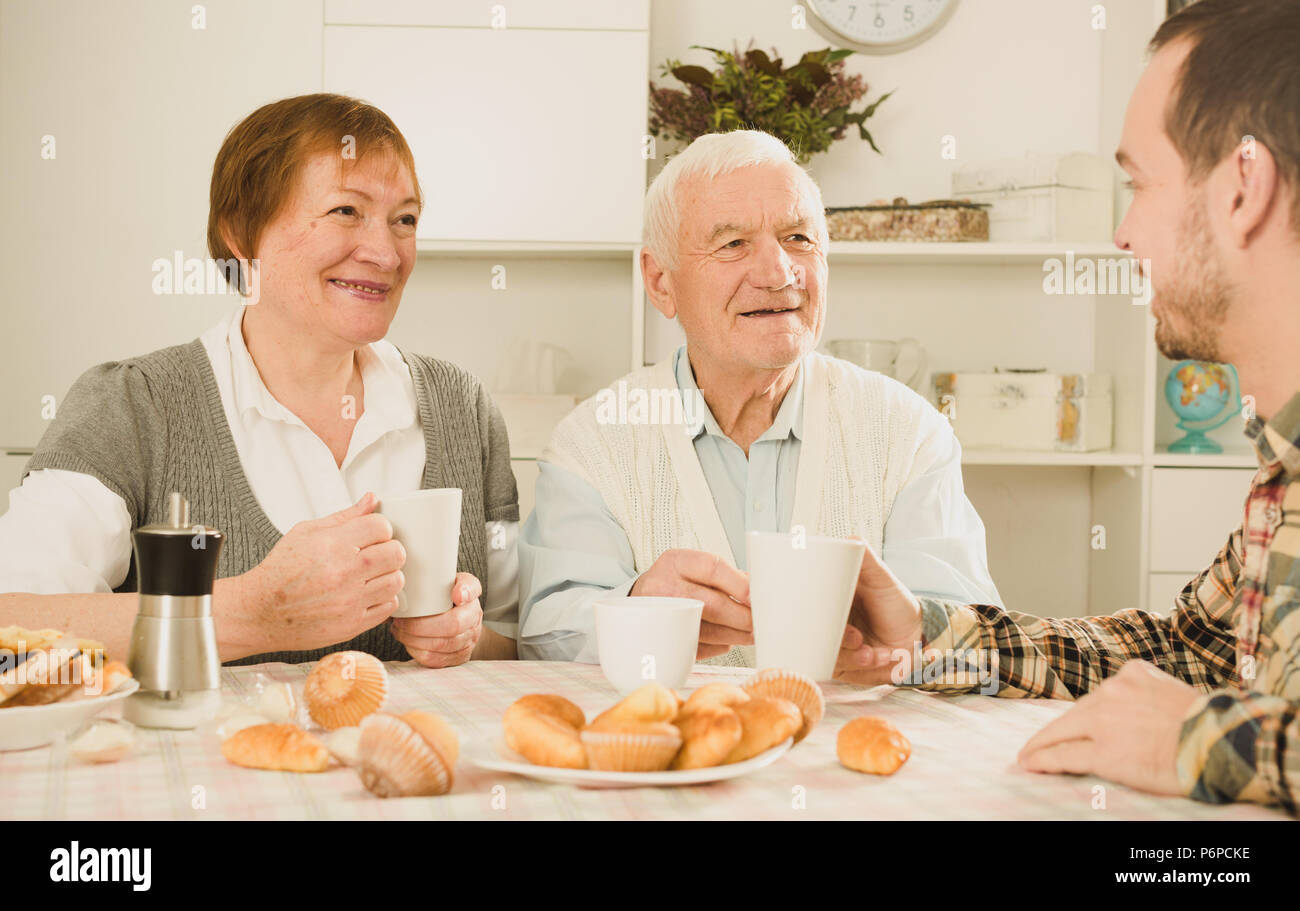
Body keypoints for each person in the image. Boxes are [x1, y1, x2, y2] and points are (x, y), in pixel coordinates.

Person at [842, 0, 1300, 811]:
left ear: (1242, 186)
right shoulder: (1284, 470)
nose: (1123, 235)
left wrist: (1198, 738)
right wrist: (923, 631)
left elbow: (1190, 709)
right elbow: (1184, 651)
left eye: (1139, 183)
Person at [0, 94, 519, 666]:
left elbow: (521, 643)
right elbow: (12, 625)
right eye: (346, 211)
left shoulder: (463, 409)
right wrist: (251, 612)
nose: (386, 254)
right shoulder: (131, 406)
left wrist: (466, 637)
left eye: (405, 220)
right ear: (242, 236)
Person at [518, 129, 1001, 665]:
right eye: (732, 244)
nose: (777, 273)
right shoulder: (592, 443)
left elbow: (972, 638)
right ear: (660, 282)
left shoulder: (910, 434)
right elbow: (547, 633)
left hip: (850, 745)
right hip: (676, 745)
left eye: (798, 238)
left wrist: (911, 642)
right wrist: (636, 611)